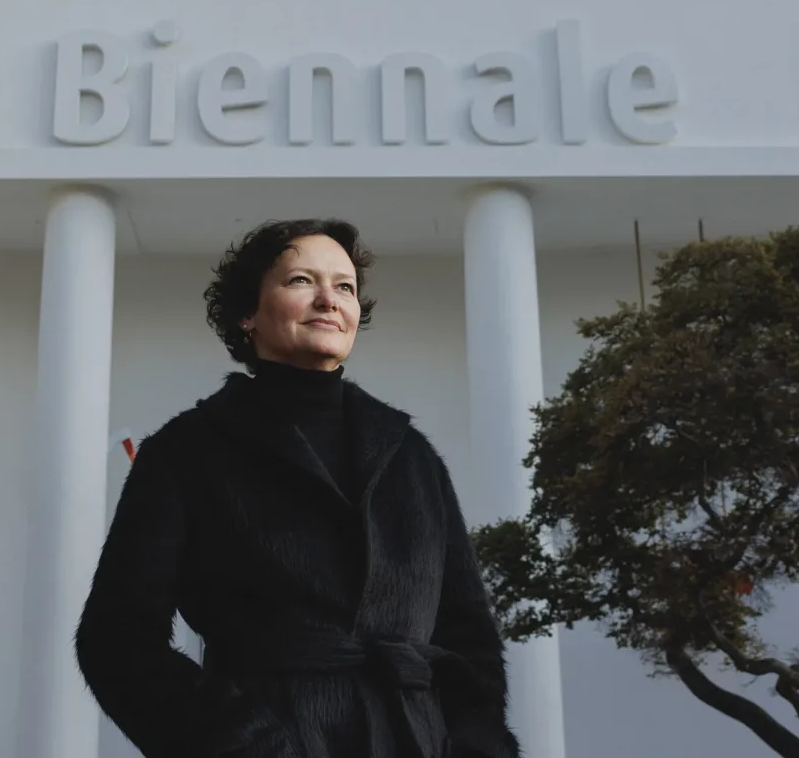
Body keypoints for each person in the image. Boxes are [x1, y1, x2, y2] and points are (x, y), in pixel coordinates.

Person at [73, 218, 521, 758]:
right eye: (301, 281)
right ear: (246, 314)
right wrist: (240, 745)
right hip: (273, 732)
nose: (329, 300)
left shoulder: (411, 456)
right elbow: (116, 641)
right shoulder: (186, 452)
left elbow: (468, 634)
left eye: (345, 287)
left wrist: (478, 746)